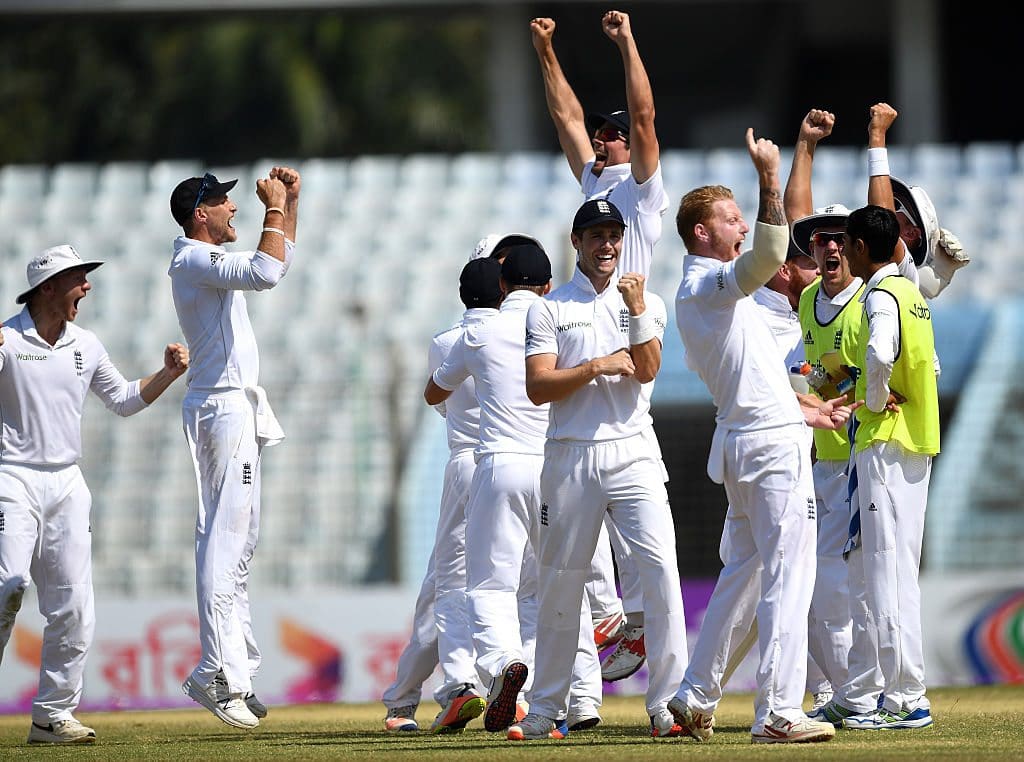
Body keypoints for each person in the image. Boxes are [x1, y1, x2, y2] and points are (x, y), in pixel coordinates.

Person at [669, 128, 851, 745]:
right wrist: (769, 176)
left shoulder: (731, 302)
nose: (742, 226)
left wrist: (806, 407)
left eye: (742, 216)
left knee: (743, 576)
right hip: (767, 450)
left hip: (754, 438)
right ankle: (777, 711)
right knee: (788, 575)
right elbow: (776, 249)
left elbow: (758, 375)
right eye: (730, 219)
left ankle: (694, 695)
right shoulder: (706, 289)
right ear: (701, 232)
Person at [510, 198, 687, 741]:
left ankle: (666, 707)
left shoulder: (647, 301)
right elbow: (539, 387)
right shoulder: (549, 308)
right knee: (560, 584)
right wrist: (593, 367)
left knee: (660, 573)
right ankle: (546, 710)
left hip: (633, 450)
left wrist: (633, 311)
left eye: (614, 235)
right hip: (570, 454)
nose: (606, 245)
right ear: (576, 242)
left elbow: (649, 366)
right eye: (596, 236)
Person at [0, 244, 189, 744]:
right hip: (10, 477)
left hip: (66, 481)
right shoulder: (5, 340)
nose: (87, 285)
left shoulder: (87, 344)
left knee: (75, 605)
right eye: (77, 278)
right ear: (47, 288)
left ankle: (52, 716)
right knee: (8, 586)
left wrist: (167, 373)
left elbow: (124, 400)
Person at [531, 8, 669, 677]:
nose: (605, 138)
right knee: (582, 511)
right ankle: (614, 621)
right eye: (603, 132)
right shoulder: (595, 190)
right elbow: (564, 118)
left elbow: (643, 120)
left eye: (610, 135)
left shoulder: (642, 193)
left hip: (632, 317)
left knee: (641, 515)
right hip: (590, 314)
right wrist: (546, 51)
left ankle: (640, 627)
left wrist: (627, 41)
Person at [168, 166, 300, 729]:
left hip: (235, 406)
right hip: (220, 407)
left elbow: (278, 259)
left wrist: (291, 202)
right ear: (201, 213)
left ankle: (237, 673)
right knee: (221, 541)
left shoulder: (207, 261)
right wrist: (273, 208)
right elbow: (268, 271)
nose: (233, 210)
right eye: (224, 203)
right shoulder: (192, 259)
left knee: (240, 542)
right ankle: (214, 672)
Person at [382, 235, 530, 733]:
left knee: (450, 586)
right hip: (523, 463)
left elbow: (440, 400)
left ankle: (454, 688)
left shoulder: (452, 340)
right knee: (513, 585)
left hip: (472, 462)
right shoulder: (528, 333)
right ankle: (527, 697)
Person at [426, 244, 556, 734]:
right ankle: (566, 698)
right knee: (553, 581)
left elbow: (433, 392)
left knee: (485, 583)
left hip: (496, 464)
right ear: (546, 283)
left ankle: (501, 664)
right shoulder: (558, 322)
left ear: (503, 287)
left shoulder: (476, 333)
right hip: (552, 465)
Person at [839, 204, 939, 730]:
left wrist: (874, 402)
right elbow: (930, 363)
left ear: (859, 247)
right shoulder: (912, 293)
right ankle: (907, 692)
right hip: (918, 441)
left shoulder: (880, 294)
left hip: (885, 442)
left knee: (884, 571)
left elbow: (879, 354)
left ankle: (905, 698)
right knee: (900, 570)